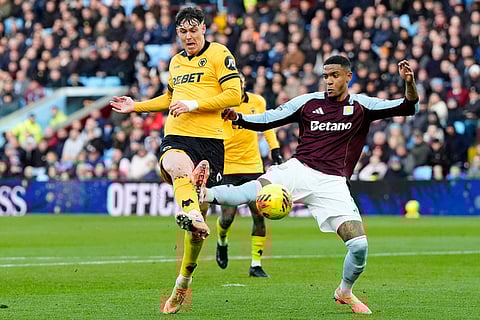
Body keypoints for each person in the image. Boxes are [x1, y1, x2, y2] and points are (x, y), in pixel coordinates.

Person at [199, 55, 419, 314]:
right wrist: (239, 118)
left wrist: (410, 83)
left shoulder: (362, 105)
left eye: (335, 75)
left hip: (333, 183)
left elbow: (407, 107)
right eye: (326, 76)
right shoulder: (308, 102)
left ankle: (344, 292)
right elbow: (270, 118)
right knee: (249, 191)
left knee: (359, 246)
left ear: (348, 77)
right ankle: (203, 193)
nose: (329, 81)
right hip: (298, 170)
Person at [109, 7, 242, 314]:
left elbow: (234, 94)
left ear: (204, 29)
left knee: (197, 228)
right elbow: (170, 99)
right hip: (178, 135)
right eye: (182, 31)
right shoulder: (176, 61)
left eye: (193, 30)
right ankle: (192, 209)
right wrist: (137, 106)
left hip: (210, 141)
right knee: (175, 166)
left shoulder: (220, 54)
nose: (188, 36)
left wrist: (194, 103)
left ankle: (183, 280)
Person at [216, 72, 283, 278]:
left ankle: (256, 264)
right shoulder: (220, 104)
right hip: (228, 167)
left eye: (241, 82)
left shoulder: (258, 101)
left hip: (253, 166)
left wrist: (275, 149)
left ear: (244, 84)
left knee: (260, 215)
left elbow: (266, 125)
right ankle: (222, 240)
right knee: (227, 217)